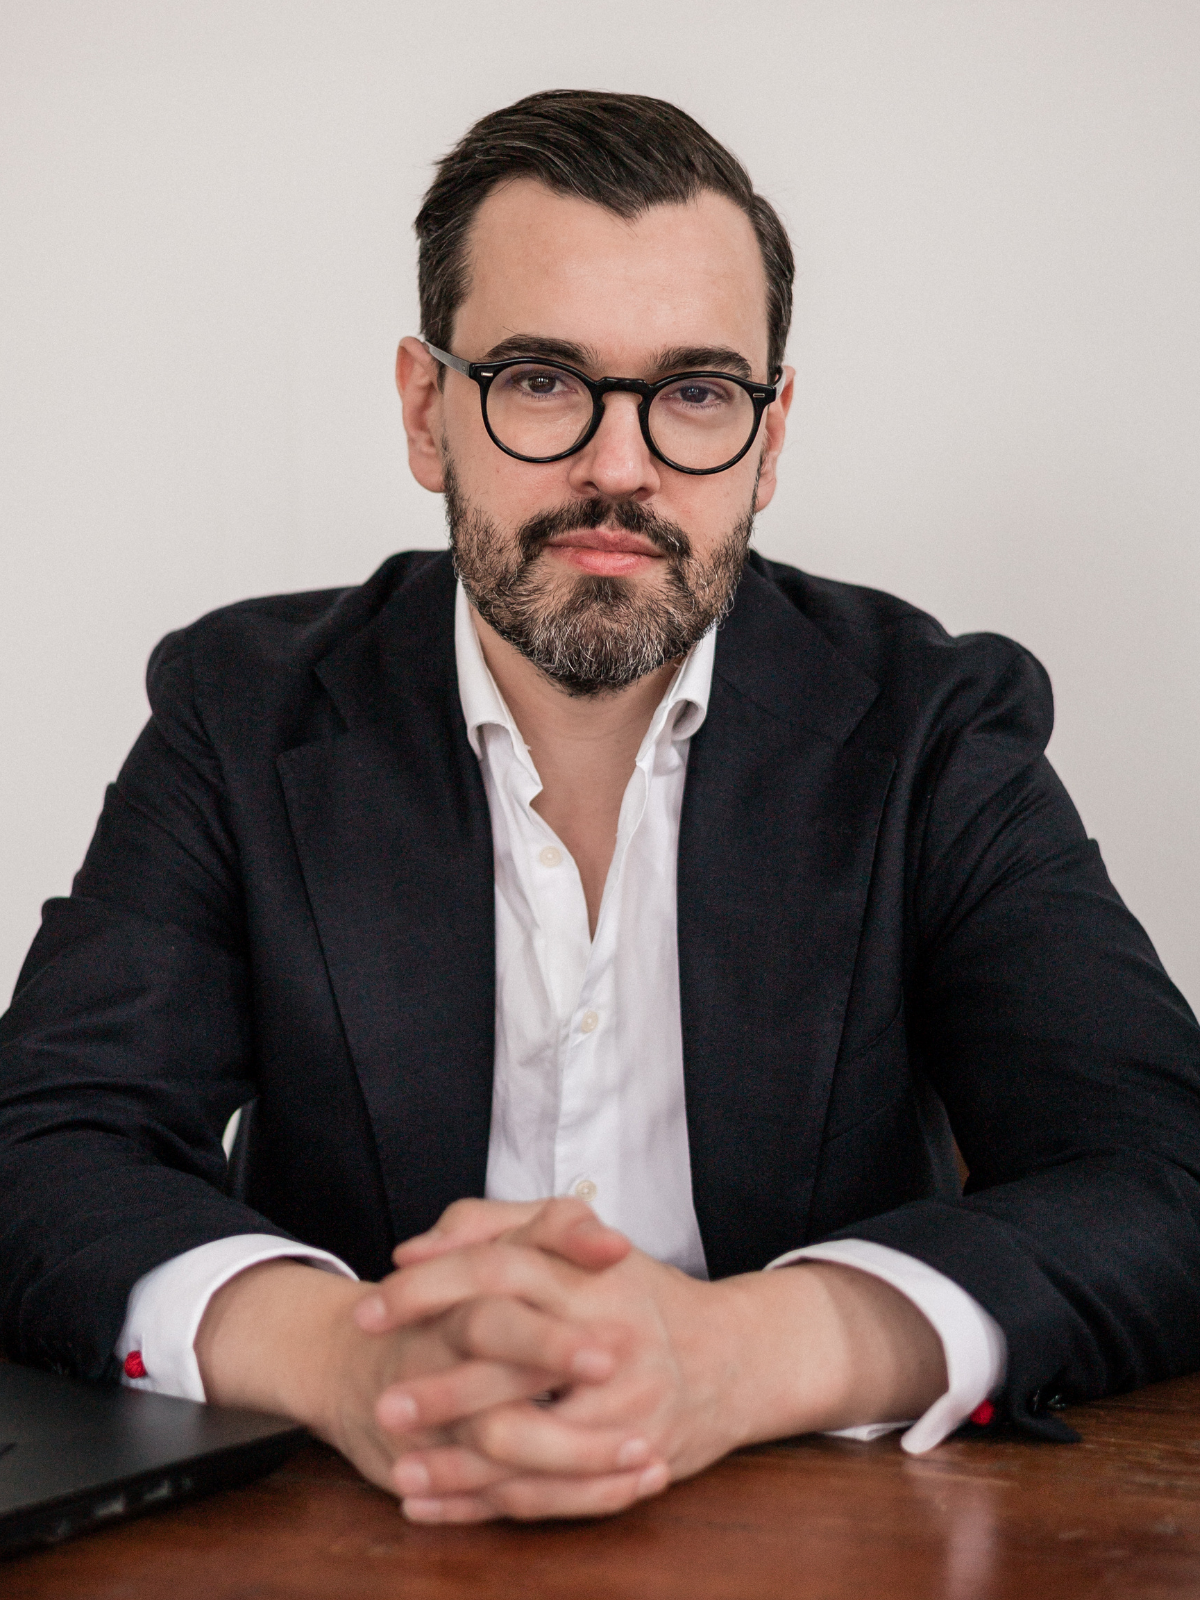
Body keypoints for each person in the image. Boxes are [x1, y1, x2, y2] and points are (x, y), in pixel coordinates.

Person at [2, 89, 1199, 1527]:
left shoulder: (934, 728)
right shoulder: (241, 712)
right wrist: (342, 1356)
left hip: (827, 1539)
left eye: (696, 393)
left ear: (769, 437)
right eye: (540, 380)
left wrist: (741, 1355)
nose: (619, 468)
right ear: (427, 411)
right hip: (367, 1531)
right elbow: (43, 1145)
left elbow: (1162, 1173)